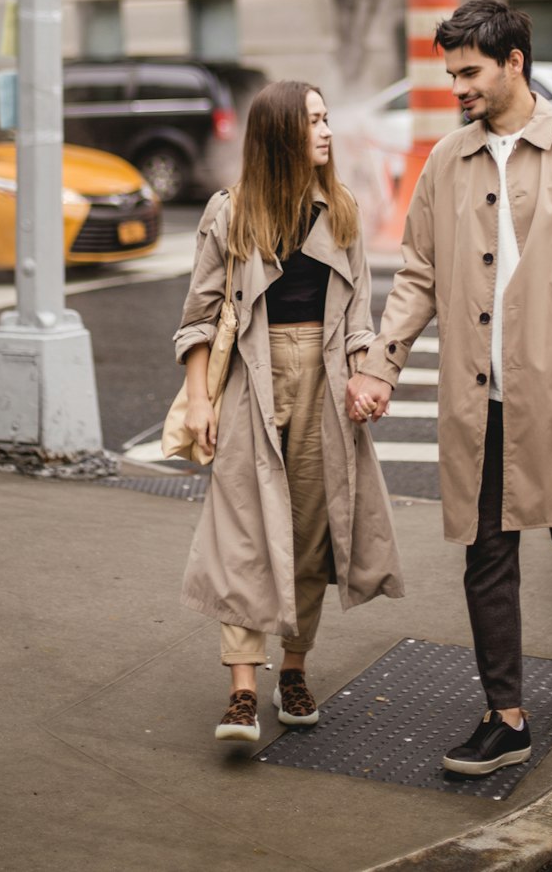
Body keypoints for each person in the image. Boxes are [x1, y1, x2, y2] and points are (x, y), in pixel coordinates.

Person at [347, 0, 552, 776]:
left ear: (513, 62)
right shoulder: (448, 159)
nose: (457, 88)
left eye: (469, 72)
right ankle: (504, 717)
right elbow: (416, 274)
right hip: (480, 398)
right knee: (486, 550)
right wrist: (380, 363)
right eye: (451, 74)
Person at [174, 79, 404, 744]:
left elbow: (360, 319)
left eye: (328, 117)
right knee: (244, 529)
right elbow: (200, 315)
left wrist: (366, 377)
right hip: (252, 377)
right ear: (280, 134)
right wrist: (198, 399)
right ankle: (242, 689)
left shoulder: (344, 212)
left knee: (311, 531)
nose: (327, 131)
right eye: (313, 121)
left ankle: (294, 670)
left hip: (325, 384)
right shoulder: (231, 212)